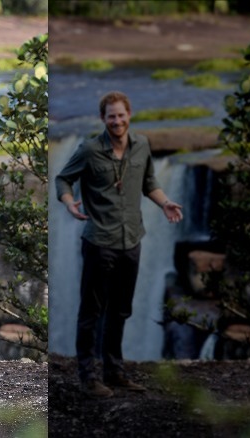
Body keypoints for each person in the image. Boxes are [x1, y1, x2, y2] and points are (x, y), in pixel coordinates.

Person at [55, 91, 183, 398]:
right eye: (111, 116)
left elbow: (149, 182)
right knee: (91, 312)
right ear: (103, 119)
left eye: (121, 115)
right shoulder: (88, 149)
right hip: (99, 241)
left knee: (120, 310)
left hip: (131, 241)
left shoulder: (142, 146)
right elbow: (63, 179)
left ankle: (114, 371)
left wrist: (164, 203)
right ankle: (88, 376)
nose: (117, 121)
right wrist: (70, 203)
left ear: (129, 115)